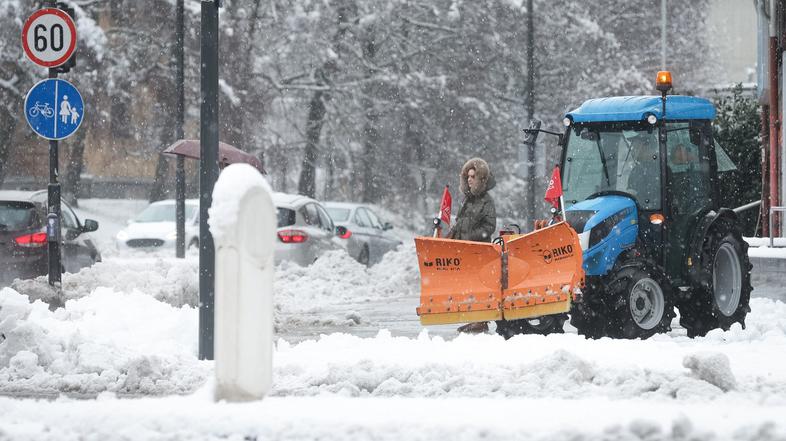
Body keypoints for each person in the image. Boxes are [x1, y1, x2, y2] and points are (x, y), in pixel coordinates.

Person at [447, 157, 497, 333]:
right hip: (464, 250)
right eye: (467, 176)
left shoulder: (487, 201)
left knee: (479, 285)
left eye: (473, 176)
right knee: (468, 285)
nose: (469, 179)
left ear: (481, 179)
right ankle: (473, 317)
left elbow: (489, 227)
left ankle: (481, 320)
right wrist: (453, 234)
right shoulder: (467, 199)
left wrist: (470, 237)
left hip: (479, 251)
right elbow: (461, 221)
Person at [626, 135, 660, 207]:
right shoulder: (662, 166)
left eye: (635, 146)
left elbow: (631, 199)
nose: (633, 150)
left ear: (646, 147)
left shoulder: (638, 171)